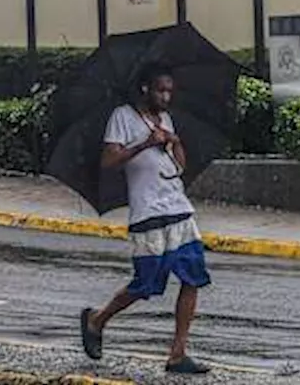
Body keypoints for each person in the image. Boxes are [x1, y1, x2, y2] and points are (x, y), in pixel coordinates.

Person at [79, 62, 211, 375]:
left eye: (169, 91)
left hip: (178, 207)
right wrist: (144, 144)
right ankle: (97, 320)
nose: (166, 97)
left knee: (193, 278)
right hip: (148, 211)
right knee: (145, 284)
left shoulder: (166, 119)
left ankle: (177, 354)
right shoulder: (122, 117)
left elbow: (180, 166)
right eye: (161, 90)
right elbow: (109, 160)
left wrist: (174, 142)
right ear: (145, 89)